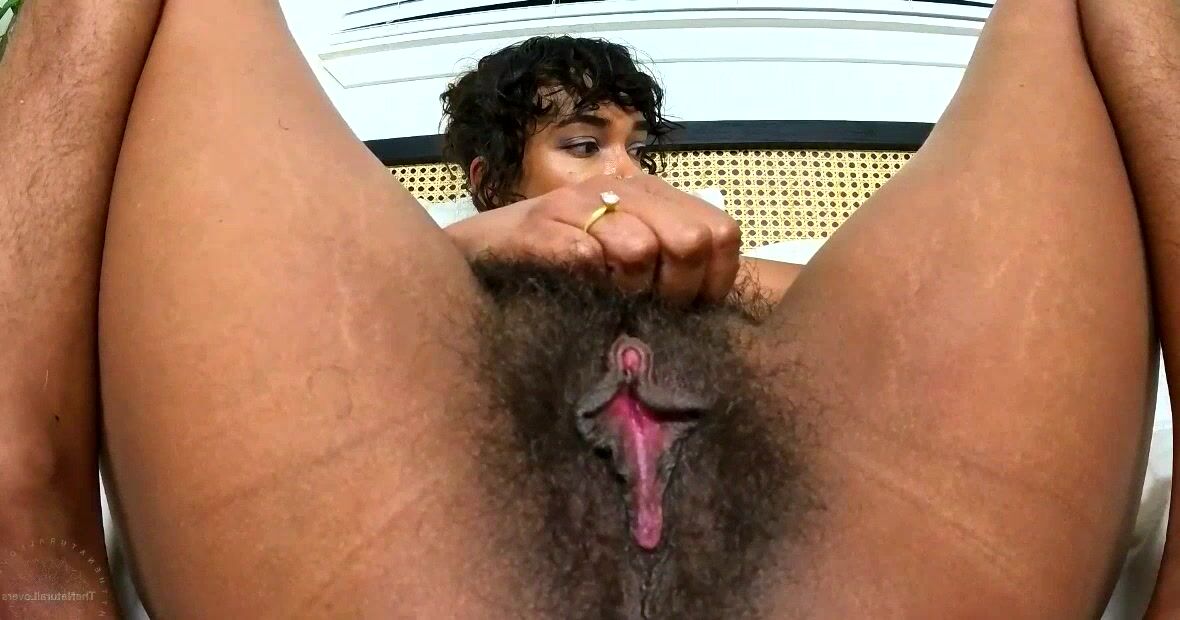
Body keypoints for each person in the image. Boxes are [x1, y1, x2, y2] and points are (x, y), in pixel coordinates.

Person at [1, 0, 1177, 618]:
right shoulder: (374, 262)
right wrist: (479, 248)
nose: (625, 176)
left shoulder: (739, 263)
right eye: (580, 145)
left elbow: (876, 329)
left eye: (635, 148)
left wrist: (720, 275)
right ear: (484, 176)